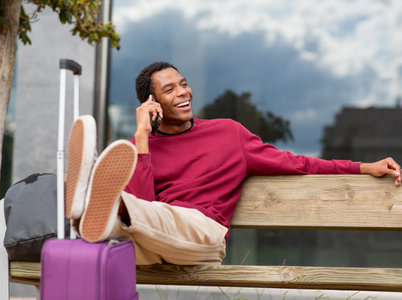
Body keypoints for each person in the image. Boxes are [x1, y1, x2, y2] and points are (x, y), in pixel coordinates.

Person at [65, 61, 401, 265]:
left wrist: (361, 167)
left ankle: (96, 205)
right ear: (150, 103)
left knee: (130, 219)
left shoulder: (229, 134)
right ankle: (89, 215)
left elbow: (296, 163)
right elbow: (148, 202)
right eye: (170, 90)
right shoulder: (134, 149)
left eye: (183, 84)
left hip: (201, 236)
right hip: (150, 239)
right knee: (98, 248)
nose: (183, 92)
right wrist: (141, 139)